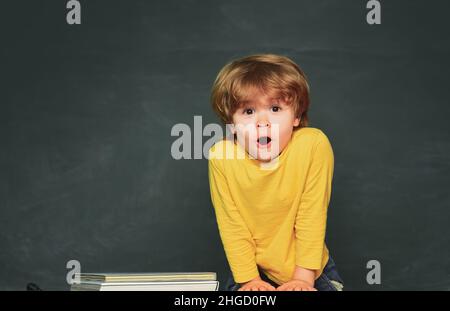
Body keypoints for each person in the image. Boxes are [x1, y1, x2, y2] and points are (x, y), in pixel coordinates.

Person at [207, 54, 344, 291]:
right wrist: (250, 280)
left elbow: (311, 216)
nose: (262, 122)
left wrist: (303, 279)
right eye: (248, 111)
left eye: (275, 108)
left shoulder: (312, 145)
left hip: (309, 268)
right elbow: (232, 225)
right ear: (232, 123)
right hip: (251, 270)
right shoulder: (222, 156)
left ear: (296, 116)